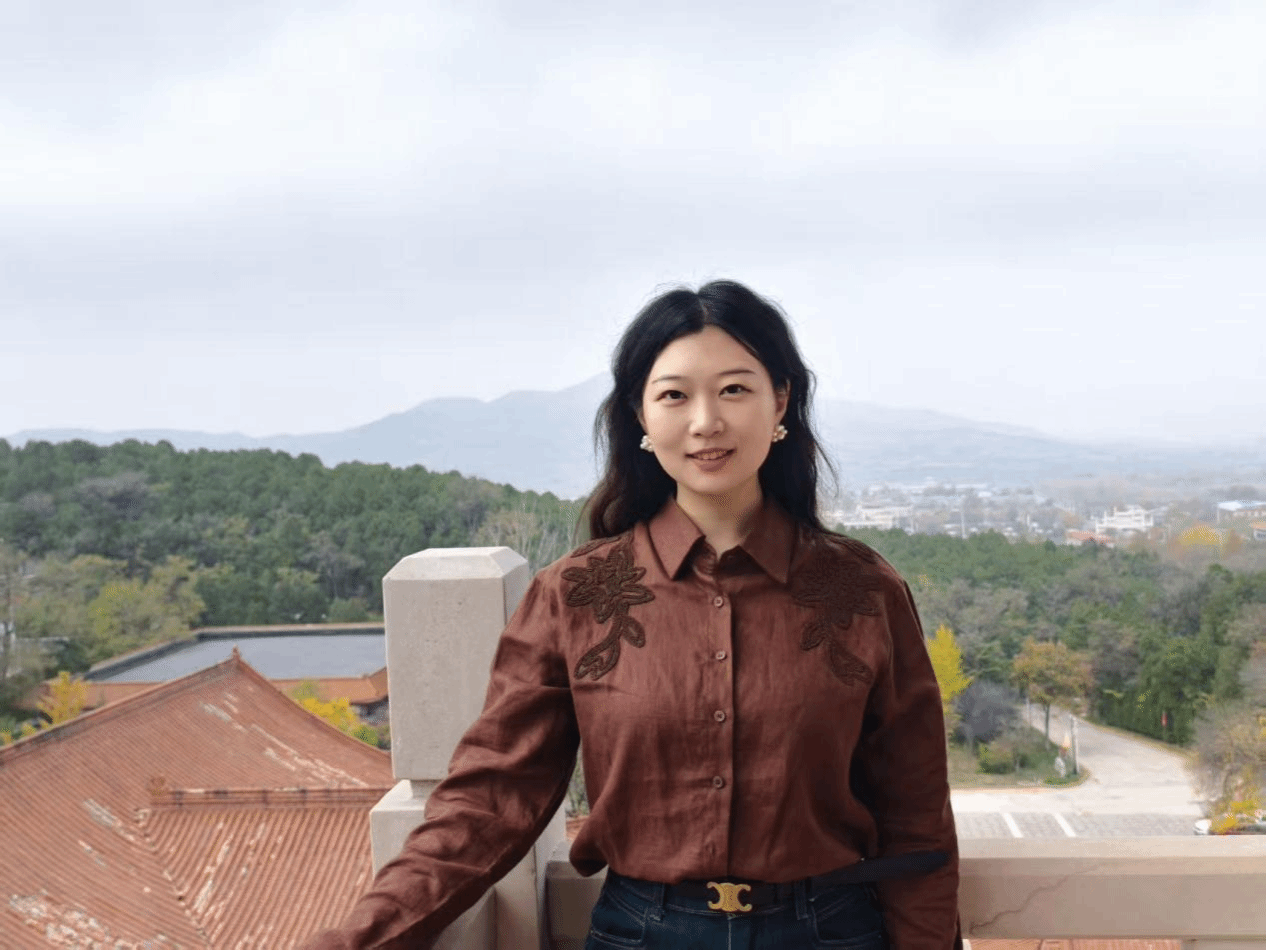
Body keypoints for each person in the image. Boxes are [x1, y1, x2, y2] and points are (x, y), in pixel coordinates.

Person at [303, 280, 959, 950]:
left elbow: (917, 817)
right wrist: (359, 939)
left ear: (781, 401)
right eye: (674, 395)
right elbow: (491, 799)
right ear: (640, 415)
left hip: (829, 931)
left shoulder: (861, 591)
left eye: (734, 389)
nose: (706, 421)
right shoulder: (575, 595)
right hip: (641, 932)